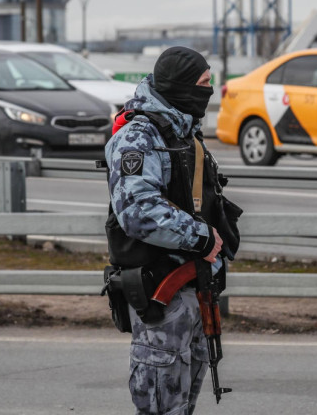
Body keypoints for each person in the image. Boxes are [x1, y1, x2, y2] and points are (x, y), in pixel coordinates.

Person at [104, 46, 238, 414]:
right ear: (180, 86)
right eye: (203, 83)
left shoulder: (182, 132)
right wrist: (202, 237)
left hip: (192, 289)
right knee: (162, 408)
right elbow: (137, 210)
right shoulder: (139, 137)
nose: (209, 91)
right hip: (161, 294)